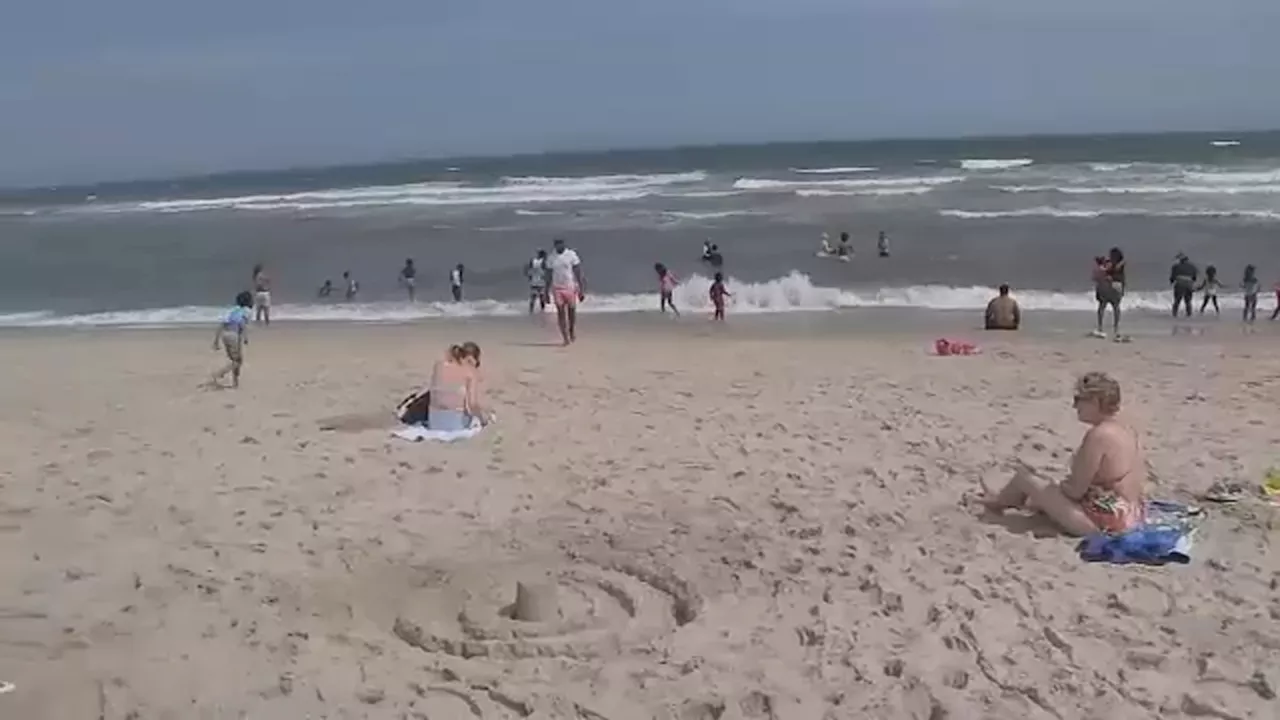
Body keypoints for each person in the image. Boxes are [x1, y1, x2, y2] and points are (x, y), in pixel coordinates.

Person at [980, 372, 1147, 536]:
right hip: (1133, 514)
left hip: (1105, 523)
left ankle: (996, 503)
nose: (1075, 406)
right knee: (1043, 491)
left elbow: (1075, 491)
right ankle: (1006, 500)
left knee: (1024, 478)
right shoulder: (1128, 428)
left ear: (1095, 401)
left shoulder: (1099, 435)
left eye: (1079, 399)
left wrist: (1051, 487)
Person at [426, 344, 479, 431]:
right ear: (470, 359)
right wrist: (483, 418)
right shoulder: (469, 373)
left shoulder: (438, 366)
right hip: (455, 424)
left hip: (434, 422)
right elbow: (472, 405)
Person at [211, 291, 253, 388]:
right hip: (234, 335)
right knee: (238, 361)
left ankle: (235, 383)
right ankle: (220, 373)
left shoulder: (231, 310)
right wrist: (245, 337)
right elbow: (243, 324)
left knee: (234, 360)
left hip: (225, 335)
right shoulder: (247, 311)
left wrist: (216, 340)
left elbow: (221, 324)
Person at [547, 238, 584, 345]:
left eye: (560, 244)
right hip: (557, 287)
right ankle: (565, 337)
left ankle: (571, 330)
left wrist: (581, 289)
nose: (559, 246)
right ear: (555, 246)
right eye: (557, 245)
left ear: (563, 244)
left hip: (570, 286)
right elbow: (548, 275)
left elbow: (578, 272)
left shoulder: (571, 255)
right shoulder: (551, 257)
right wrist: (546, 291)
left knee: (571, 312)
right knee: (561, 312)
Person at [1092, 248, 1125, 338]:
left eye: (1111, 255)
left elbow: (1112, 270)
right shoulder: (1114, 263)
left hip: (1113, 288)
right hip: (1112, 288)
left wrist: (1103, 265)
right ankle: (1110, 327)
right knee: (1110, 307)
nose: (1110, 256)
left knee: (1109, 307)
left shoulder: (1119, 264)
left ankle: (1110, 327)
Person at [1169, 252, 1198, 318]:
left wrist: (1171, 281)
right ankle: (1189, 315)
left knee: (1177, 300)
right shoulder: (1193, 267)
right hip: (1189, 284)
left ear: (1180, 260)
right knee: (1188, 301)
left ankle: (1174, 315)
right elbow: (1194, 278)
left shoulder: (1175, 266)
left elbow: (1172, 277)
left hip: (1180, 283)